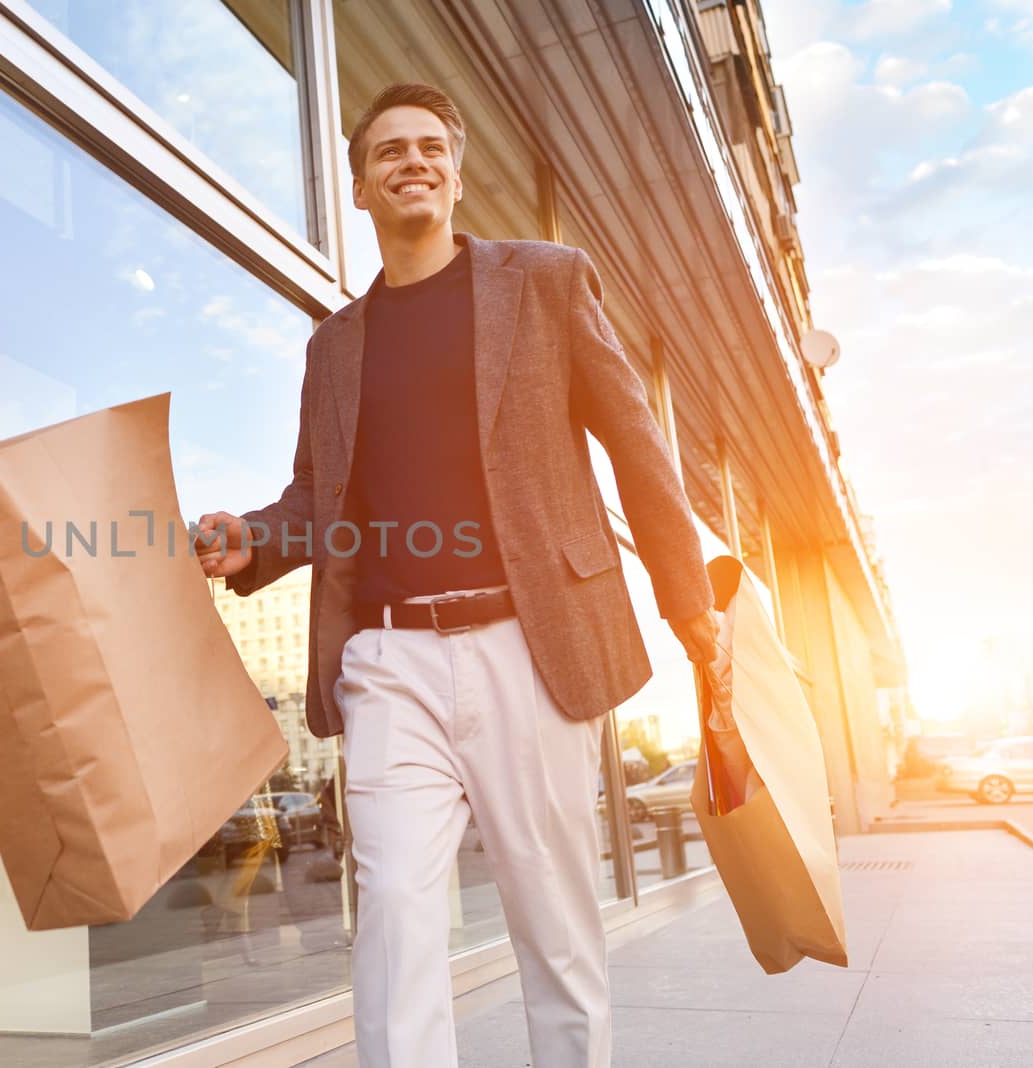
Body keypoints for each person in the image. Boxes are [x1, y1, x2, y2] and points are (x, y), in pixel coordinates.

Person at [195, 83, 718, 1067]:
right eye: (388, 150)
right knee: (393, 910)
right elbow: (319, 496)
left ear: (457, 169)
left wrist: (694, 613)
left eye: (430, 146)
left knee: (553, 920)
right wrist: (250, 541)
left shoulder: (546, 282)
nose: (413, 161)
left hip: (529, 645)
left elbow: (639, 448)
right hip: (388, 658)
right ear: (358, 188)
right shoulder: (335, 344)